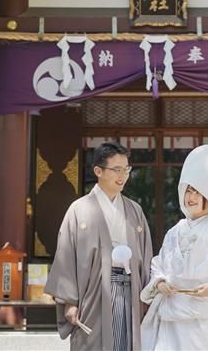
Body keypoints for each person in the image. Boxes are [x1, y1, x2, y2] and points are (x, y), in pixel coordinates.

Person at [140, 144, 208, 350]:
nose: (190, 197)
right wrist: (159, 282)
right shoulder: (174, 231)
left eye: (198, 192)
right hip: (172, 317)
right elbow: (159, 263)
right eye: (188, 191)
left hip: (206, 319)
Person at [45, 141, 153, 351]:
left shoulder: (135, 210)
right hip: (93, 293)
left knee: (126, 343)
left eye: (127, 169)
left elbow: (146, 255)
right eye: (117, 170)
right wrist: (70, 301)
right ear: (98, 171)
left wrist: (147, 296)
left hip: (130, 290)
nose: (123, 175)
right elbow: (66, 258)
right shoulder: (79, 209)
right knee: (92, 343)